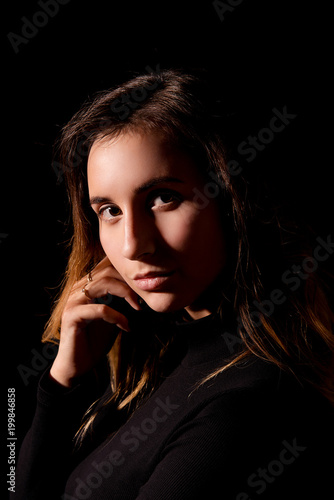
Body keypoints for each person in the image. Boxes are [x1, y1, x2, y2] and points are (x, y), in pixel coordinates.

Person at [13, 69, 334, 500]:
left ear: (232, 199)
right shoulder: (153, 361)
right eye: (109, 209)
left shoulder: (245, 407)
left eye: (163, 197)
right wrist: (59, 384)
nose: (132, 245)